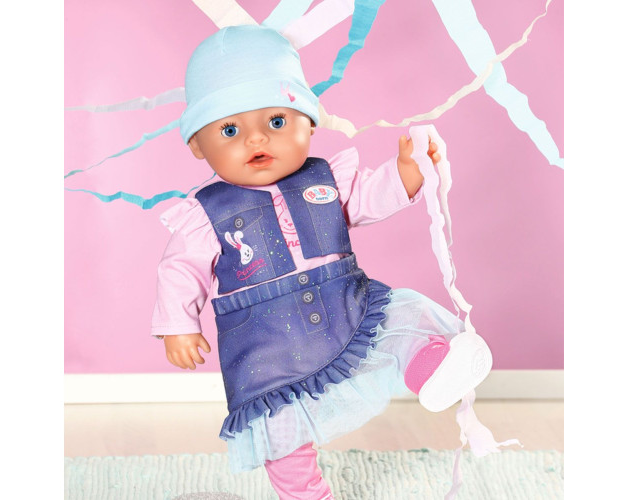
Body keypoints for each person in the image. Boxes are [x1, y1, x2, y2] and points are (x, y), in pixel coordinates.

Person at [151, 25, 491, 500]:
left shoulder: (326, 180)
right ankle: (305, 494)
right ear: (197, 145)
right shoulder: (206, 215)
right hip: (265, 344)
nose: (255, 139)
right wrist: (179, 326)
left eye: (276, 121)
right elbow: (180, 270)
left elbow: (369, 197)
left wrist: (406, 172)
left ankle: (430, 370)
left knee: (399, 316)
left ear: (309, 123)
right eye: (230, 130)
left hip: (343, 304)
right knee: (280, 427)